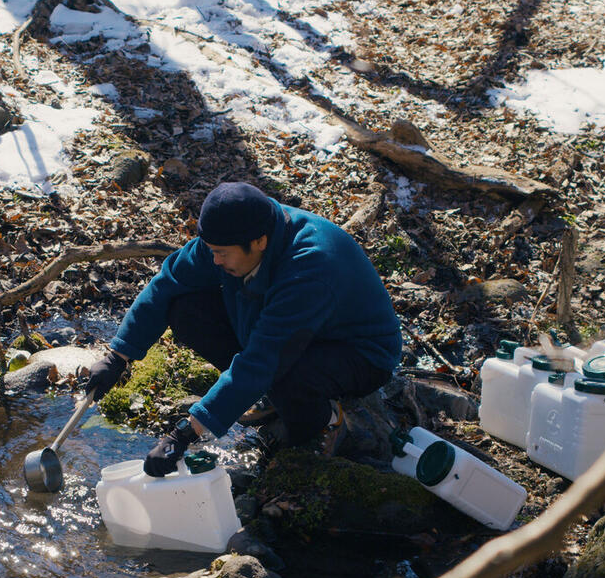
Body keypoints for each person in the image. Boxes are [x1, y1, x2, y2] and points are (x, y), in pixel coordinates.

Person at [85, 181, 402, 476]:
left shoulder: (310, 267)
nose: (215, 260)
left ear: (260, 242)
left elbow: (264, 359)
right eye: (210, 249)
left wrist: (185, 432)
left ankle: (328, 422)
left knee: (286, 379)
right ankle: (264, 397)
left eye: (222, 253)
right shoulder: (232, 237)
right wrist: (118, 356)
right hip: (288, 332)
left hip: (359, 352)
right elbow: (166, 285)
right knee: (184, 309)